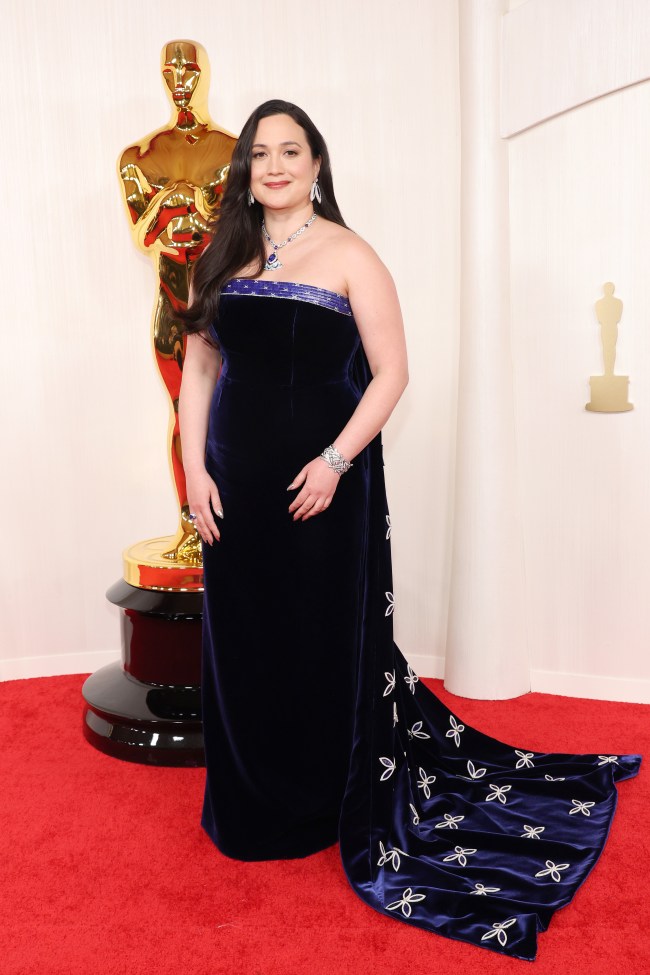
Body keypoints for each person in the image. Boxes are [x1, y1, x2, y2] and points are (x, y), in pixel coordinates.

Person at [177, 99, 641, 961]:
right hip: (233, 489)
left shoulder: (351, 253)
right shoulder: (221, 253)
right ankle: (250, 799)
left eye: (290, 151)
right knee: (244, 640)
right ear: (245, 169)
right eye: (260, 153)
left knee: (316, 639)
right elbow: (200, 367)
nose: (274, 166)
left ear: (317, 163)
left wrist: (334, 461)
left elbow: (392, 372)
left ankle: (320, 800)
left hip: (322, 489)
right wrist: (193, 470)